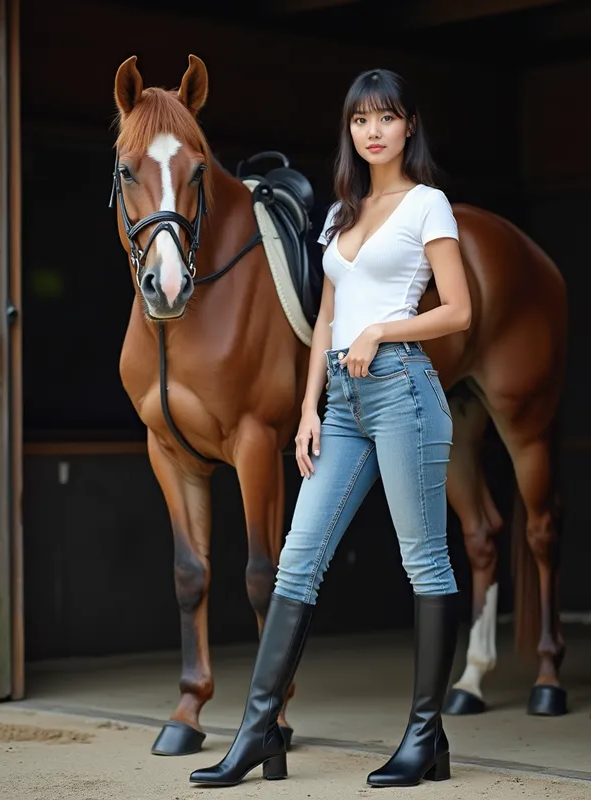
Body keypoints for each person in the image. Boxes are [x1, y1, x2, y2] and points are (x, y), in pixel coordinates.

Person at [189, 67, 472, 789]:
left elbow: (459, 311)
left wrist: (382, 329)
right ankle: (257, 733)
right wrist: (310, 407)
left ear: (409, 126)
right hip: (342, 405)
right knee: (297, 560)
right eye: (359, 121)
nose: (372, 131)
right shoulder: (341, 213)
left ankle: (423, 739)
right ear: (349, 132)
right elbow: (323, 319)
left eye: (385, 118)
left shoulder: (427, 204)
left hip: (403, 389)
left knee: (425, 562)